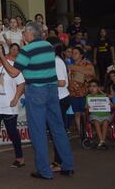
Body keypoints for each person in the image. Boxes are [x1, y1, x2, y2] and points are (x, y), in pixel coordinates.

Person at [0, 21, 74, 180]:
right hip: (52, 90)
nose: (23, 35)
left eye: (24, 32)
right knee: (58, 128)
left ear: (31, 34)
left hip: (37, 91)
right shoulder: (48, 46)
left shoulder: (27, 50)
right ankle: (68, 165)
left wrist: (1, 55)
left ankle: (45, 171)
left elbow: (13, 73)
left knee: (38, 131)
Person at [67, 45, 96, 139]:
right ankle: (81, 134)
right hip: (73, 93)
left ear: (81, 55)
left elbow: (92, 73)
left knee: (85, 113)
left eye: (76, 53)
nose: (73, 55)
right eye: (72, 53)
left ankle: (88, 132)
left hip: (85, 93)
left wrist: (74, 67)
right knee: (77, 113)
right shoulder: (68, 64)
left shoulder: (87, 63)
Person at [51, 43, 71, 171]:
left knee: (58, 133)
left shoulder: (56, 62)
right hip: (58, 99)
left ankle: (60, 162)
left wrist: (45, 80)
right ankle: (61, 161)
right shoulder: (56, 61)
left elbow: (62, 82)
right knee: (58, 132)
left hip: (60, 99)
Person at [85, 79, 111, 149]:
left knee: (105, 122)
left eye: (94, 86)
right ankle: (102, 141)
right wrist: (87, 107)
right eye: (90, 86)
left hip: (105, 115)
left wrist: (101, 92)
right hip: (94, 115)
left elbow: (110, 100)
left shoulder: (103, 96)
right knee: (96, 122)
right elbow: (86, 108)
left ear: (99, 88)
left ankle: (103, 140)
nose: (92, 88)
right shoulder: (88, 97)